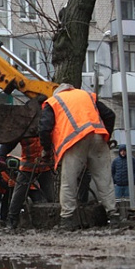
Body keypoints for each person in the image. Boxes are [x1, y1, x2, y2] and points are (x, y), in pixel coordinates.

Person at [38, 83, 118, 231]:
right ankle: (113, 215)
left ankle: (67, 219)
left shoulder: (54, 101)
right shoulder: (87, 96)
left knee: (69, 181)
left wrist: (46, 149)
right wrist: (106, 136)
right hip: (98, 135)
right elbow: (109, 115)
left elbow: (44, 128)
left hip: (74, 140)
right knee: (104, 179)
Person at [0, 136, 55, 229]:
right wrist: (1, 157)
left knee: (49, 195)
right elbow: (9, 143)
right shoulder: (25, 129)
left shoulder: (45, 129)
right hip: (28, 166)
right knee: (18, 194)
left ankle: (51, 219)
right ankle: (12, 219)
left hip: (44, 165)